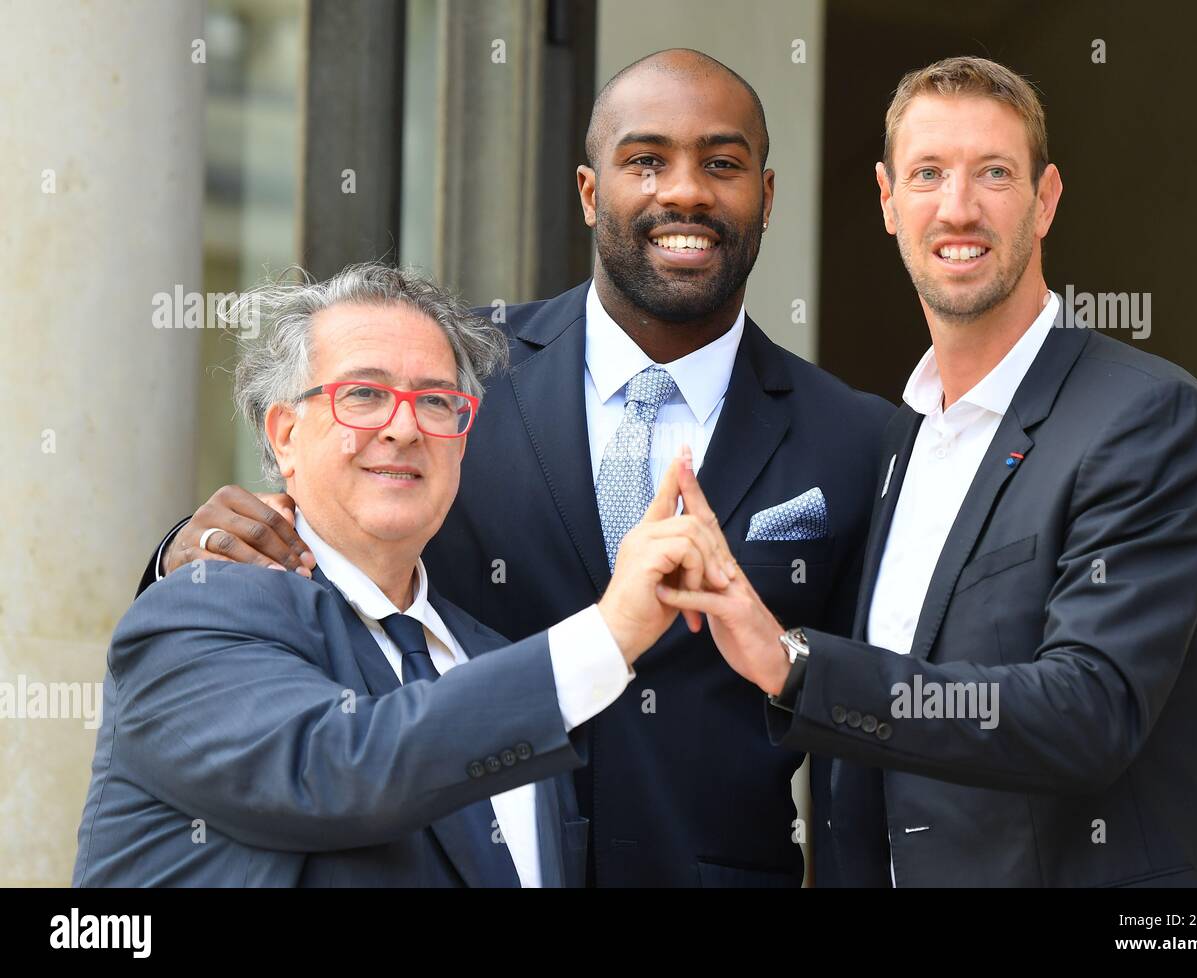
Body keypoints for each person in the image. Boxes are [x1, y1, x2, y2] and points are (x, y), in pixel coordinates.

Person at [135, 49, 894, 887]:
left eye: (722, 163)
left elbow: (858, 738)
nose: (684, 191)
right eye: (645, 160)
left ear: (768, 196)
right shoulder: (446, 380)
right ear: (588, 190)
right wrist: (188, 556)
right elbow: (330, 522)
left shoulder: (858, 439)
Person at [657, 56, 1197, 887]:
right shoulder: (896, 442)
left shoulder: (1147, 420)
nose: (958, 208)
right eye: (928, 173)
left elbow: (1087, 713)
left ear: (1044, 202)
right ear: (888, 202)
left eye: (994, 174)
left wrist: (797, 664)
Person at [75, 264, 732, 887]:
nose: (403, 427)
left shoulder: (488, 657)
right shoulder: (199, 612)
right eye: (363, 394)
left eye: (436, 401)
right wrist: (610, 633)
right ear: (283, 434)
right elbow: (335, 769)